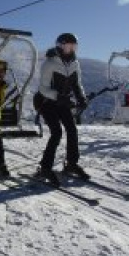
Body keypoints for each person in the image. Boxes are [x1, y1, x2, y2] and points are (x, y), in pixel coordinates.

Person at [34, 33, 89, 186]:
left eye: (73, 47)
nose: (70, 50)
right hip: (46, 101)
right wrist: (59, 97)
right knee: (56, 132)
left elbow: (77, 84)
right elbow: (43, 88)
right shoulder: (49, 63)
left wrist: (81, 98)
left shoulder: (74, 63)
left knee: (72, 130)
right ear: (60, 46)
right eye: (67, 46)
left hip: (62, 102)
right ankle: (45, 167)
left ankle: (71, 164)